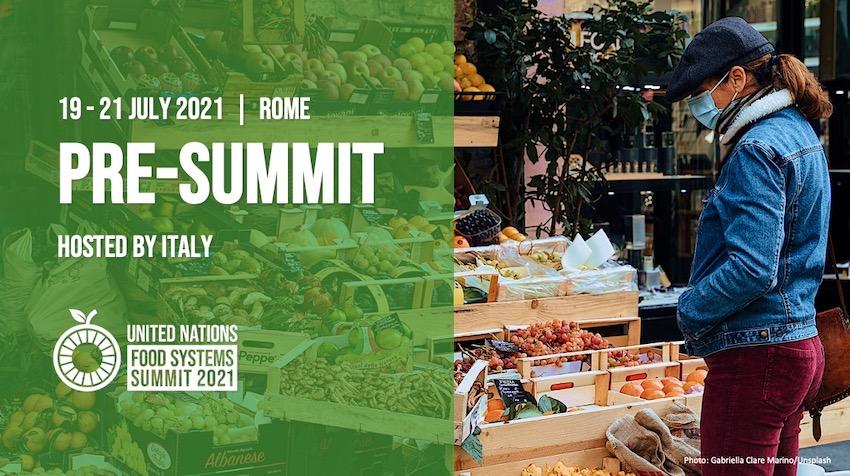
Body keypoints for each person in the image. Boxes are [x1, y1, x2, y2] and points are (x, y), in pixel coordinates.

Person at [666, 17, 833, 476]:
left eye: (704, 91)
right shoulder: (799, 133)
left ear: (737, 78)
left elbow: (752, 267)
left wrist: (689, 309)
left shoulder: (757, 148)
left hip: (757, 355)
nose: (700, 106)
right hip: (796, 344)